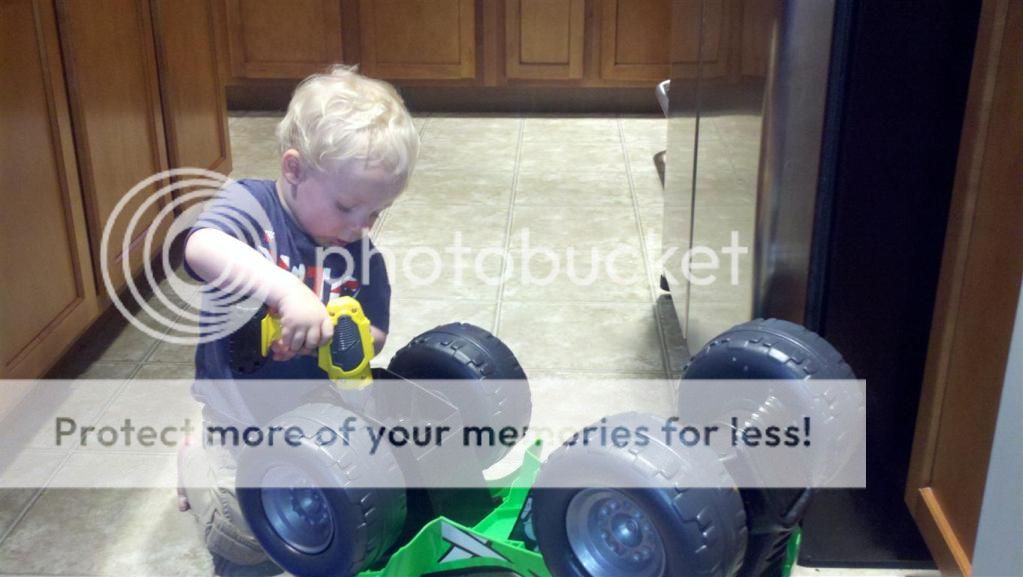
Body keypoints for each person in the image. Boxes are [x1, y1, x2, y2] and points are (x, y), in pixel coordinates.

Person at [176, 65, 419, 568]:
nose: (360, 227)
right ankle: (194, 459)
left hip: (315, 415)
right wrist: (287, 292)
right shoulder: (251, 209)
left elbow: (374, 333)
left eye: (375, 213)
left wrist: (340, 336)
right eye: (347, 207)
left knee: (355, 510)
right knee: (242, 537)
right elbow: (200, 246)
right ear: (294, 170)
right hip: (237, 421)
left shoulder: (360, 255)